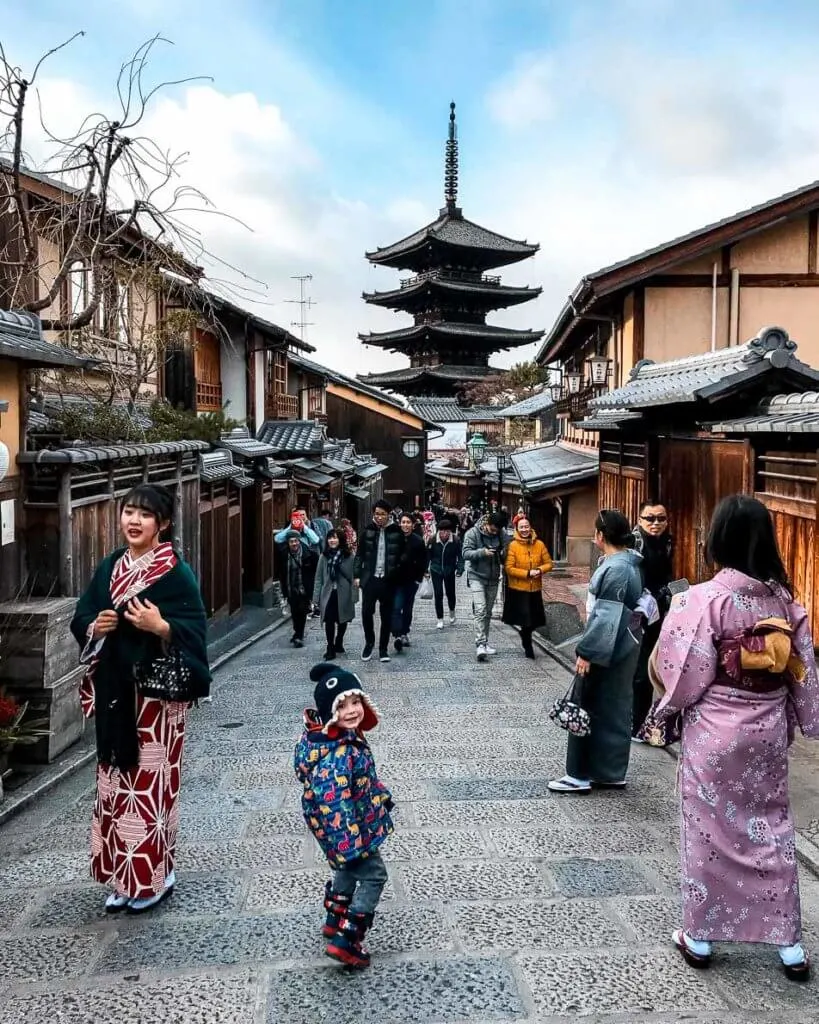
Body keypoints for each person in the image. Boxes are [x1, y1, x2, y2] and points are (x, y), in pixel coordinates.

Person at [653, 495, 819, 981]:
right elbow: (803, 676)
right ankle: (788, 943)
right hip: (766, 733)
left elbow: (683, 672)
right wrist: (808, 720)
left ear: (716, 540)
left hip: (714, 734)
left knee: (708, 831)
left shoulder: (701, 600)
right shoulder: (789, 607)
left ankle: (700, 935)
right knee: (770, 829)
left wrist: (667, 708)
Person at [70, 483, 210, 914]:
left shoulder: (174, 572)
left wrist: (161, 626)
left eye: (144, 515)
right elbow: (82, 616)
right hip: (116, 692)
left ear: (163, 524)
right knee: (113, 786)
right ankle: (122, 875)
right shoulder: (112, 565)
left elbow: (194, 629)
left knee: (148, 788)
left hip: (154, 700)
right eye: (128, 511)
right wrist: (96, 626)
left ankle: (153, 876)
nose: (133, 520)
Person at [294, 662, 393, 969]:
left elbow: (360, 778)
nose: (352, 711)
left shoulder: (344, 738)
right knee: (375, 875)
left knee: (346, 869)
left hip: (352, 825)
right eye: (342, 706)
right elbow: (333, 800)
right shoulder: (337, 752)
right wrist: (349, 842)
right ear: (328, 714)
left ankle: (335, 916)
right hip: (348, 830)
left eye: (355, 702)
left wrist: (380, 795)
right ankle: (349, 938)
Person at [549, 509, 643, 794]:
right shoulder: (630, 564)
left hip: (608, 644)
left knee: (587, 703)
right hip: (625, 642)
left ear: (600, 536)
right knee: (613, 707)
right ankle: (609, 772)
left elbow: (605, 615)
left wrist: (587, 652)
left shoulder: (617, 568)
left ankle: (579, 773)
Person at [631, 500, 675, 740]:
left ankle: (647, 721)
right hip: (637, 612)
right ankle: (636, 724)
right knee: (640, 670)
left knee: (655, 666)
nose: (656, 523)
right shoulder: (634, 544)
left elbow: (667, 574)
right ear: (640, 519)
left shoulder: (668, 542)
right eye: (650, 518)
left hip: (659, 612)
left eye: (661, 518)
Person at [353, 499, 403, 663]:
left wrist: (397, 571)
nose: (379, 517)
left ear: (389, 514)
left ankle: (383, 648)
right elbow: (359, 555)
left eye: (382, 514)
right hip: (370, 578)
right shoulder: (368, 531)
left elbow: (403, 554)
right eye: (376, 514)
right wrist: (357, 575)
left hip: (388, 579)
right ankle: (369, 643)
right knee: (367, 612)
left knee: (386, 614)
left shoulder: (396, 531)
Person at [502, 516, 553, 659]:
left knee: (535, 620)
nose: (524, 529)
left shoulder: (540, 544)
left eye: (526, 526)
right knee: (526, 620)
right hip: (519, 588)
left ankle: (525, 634)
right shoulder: (513, 546)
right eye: (521, 527)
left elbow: (549, 563)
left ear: (530, 527)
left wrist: (540, 570)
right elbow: (509, 568)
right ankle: (528, 646)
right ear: (517, 529)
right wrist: (527, 574)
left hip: (535, 588)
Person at [462, 512, 505, 662]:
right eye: (492, 530)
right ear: (486, 523)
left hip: (493, 577)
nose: (494, 533)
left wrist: (503, 553)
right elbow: (465, 553)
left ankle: (485, 642)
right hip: (476, 575)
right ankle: (480, 644)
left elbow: (508, 551)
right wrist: (482, 552)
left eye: (496, 531)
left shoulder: (501, 533)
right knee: (480, 609)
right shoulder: (472, 533)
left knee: (487, 611)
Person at [312, 529, 356, 659]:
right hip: (328, 593)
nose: (332, 540)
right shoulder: (323, 556)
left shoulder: (349, 556)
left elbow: (353, 577)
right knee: (329, 620)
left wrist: (354, 596)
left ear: (340, 540)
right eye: (330, 538)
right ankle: (330, 647)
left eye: (335, 538)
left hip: (343, 593)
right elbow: (319, 578)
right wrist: (315, 598)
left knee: (342, 620)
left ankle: (339, 640)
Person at [391, 512, 428, 651]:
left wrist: (418, 578)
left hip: (411, 580)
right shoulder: (394, 539)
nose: (405, 525)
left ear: (413, 525)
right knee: (396, 607)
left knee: (407, 608)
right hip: (396, 580)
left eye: (408, 522)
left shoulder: (418, 541)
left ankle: (405, 632)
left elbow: (423, 561)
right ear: (399, 523)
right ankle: (397, 635)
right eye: (403, 522)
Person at [279, 530, 318, 648]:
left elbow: (315, 573)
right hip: (291, 587)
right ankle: (297, 632)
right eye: (291, 541)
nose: (294, 543)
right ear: (288, 543)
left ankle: (299, 636)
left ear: (299, 540)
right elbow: (281, 573)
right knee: (295, 612)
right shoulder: (283, 554)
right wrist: (283, 591)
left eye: (296, 541)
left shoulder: (309, 554)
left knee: (302, 611)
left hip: (304, 588)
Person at [426, 518, 464, 628]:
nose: (444, 534)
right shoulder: (433, 540)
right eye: (442, 531)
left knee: (450, 593)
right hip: (436, 569)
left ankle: (452, 611)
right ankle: (440, 618)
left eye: (447, 531)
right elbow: (427, 556)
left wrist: (460, 569)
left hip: (449, 569)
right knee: (438, 594)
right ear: (438, 531)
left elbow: (460, 556)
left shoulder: (456, 540)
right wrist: (425, 570)